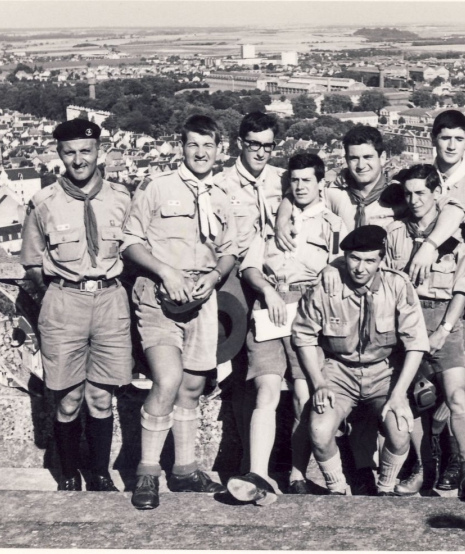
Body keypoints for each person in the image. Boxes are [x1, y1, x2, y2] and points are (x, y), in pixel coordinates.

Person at [275, 125, 465, 495]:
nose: (360, 164)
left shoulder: (398, 194)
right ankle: (350, 478)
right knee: (339, 421)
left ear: (384, 159)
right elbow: (298, 193)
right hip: (342, 315)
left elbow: (448, 208)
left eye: (368, 157)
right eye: (353, 157)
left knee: (405, 410)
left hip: (393, 306)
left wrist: (429, 245)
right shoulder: (333, 192)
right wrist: (284, 216)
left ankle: (406, 473)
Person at [123, 115, 236, 510]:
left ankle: (185, 470)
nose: (201, 152)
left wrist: (217, 277)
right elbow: (131, 242)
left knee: (191, 388)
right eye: (193, 145)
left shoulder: (221, 197)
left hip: (201, 299)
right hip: (157, 295)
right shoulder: (157, 188)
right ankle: (147, 473)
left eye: (208, 145)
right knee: (167, 379)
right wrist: (165, 271)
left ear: (219, 150)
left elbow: (229, 250)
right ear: (181, 147)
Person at [21, 118, 132, 492]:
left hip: (110, 302)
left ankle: (99, 474)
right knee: (67, 399)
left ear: (99, 151)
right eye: (70, 152)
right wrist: (57, 299)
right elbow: (32, 265)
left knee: (102, 397)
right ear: (59, 155)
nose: (78, 159)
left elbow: (135, 252)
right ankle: (68, 475)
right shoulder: (43, 203)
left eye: (86, 151)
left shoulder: (122, 198)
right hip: (64, 301)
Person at [227, 153, 345, 505]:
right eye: (294, 180)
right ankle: (259, 474)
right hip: (270, 306)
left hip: (309, 310)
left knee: (303, 392)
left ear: (321, 183)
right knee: (265, 387)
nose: (300, 186)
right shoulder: (270, 221)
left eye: (307, 180)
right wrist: (266, 291)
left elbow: (336, 272)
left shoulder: (334, 225)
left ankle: (296, 472)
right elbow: (249, 267)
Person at [292, 225, 430, 496]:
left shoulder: (397, 285)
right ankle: (338, 489)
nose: (360, 268)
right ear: (344, 257)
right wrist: (319, 383)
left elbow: (416, 344)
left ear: (381, 261)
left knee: (401, 428)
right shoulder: (326, 284)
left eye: (369, 260)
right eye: (354, 258)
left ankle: (386, 488)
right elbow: (304, 337)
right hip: (338, 371)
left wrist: (399, 394)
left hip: (383, 372)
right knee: (319, 431)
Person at [384, 164, 465, 501]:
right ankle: (424, 467)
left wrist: (445, 329)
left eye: (421, 193)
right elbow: (388, 285)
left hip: (444, 319)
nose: (414, 200)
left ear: (436, 194)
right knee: (415, 400)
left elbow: (463, 287)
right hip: (407, 322)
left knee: (456, 396)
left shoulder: (452, 236)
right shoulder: (394, 234)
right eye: (409, 193)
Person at [213, 111, 286, 473]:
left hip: (272, 280)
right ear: (240, 143)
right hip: (235, 281)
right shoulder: (222, 183)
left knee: (270, 371)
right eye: (254, 145)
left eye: (268, 146)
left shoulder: (282, 180)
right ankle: (244, 457)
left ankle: (278, 459)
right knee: (241, 371)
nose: (261, 152)